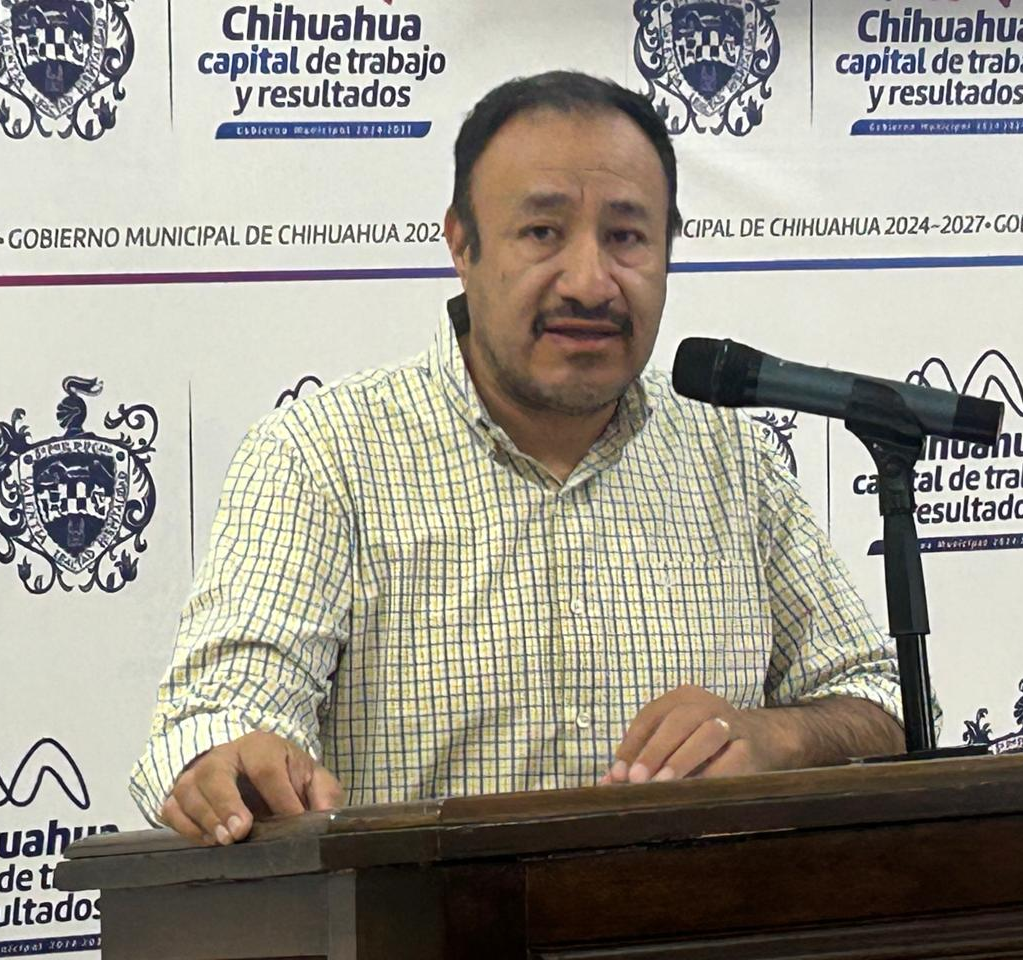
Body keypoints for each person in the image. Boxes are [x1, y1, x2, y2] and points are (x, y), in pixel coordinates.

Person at [131, 71, 908, 847]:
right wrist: (231, 760)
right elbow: (223, 711)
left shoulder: (734, 459)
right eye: (542, 233)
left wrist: (777, 738)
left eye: (627, 237)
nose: (590, 283)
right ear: (461, 245)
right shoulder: (320, 456)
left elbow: (885, 700)